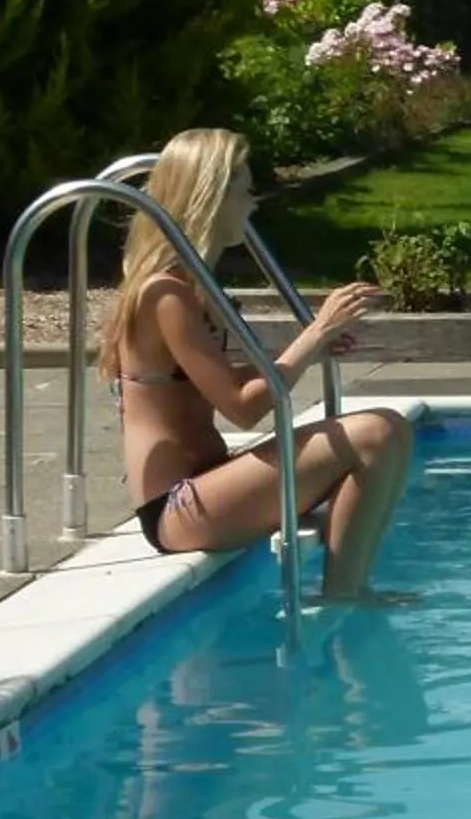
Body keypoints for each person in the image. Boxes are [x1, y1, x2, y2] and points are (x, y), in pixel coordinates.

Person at [98, 127, 415, 600]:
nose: (253, 205)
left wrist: (312, 348)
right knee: (375, 433)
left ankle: (348, 590)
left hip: (208, 480)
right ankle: (343, 596)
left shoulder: (189, 285)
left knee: (389, 432)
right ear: (211, 198)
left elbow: (212, 386)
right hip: (177, 508)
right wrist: (314, 334)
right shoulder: (166, 294)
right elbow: (242, 407)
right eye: (244, 192)